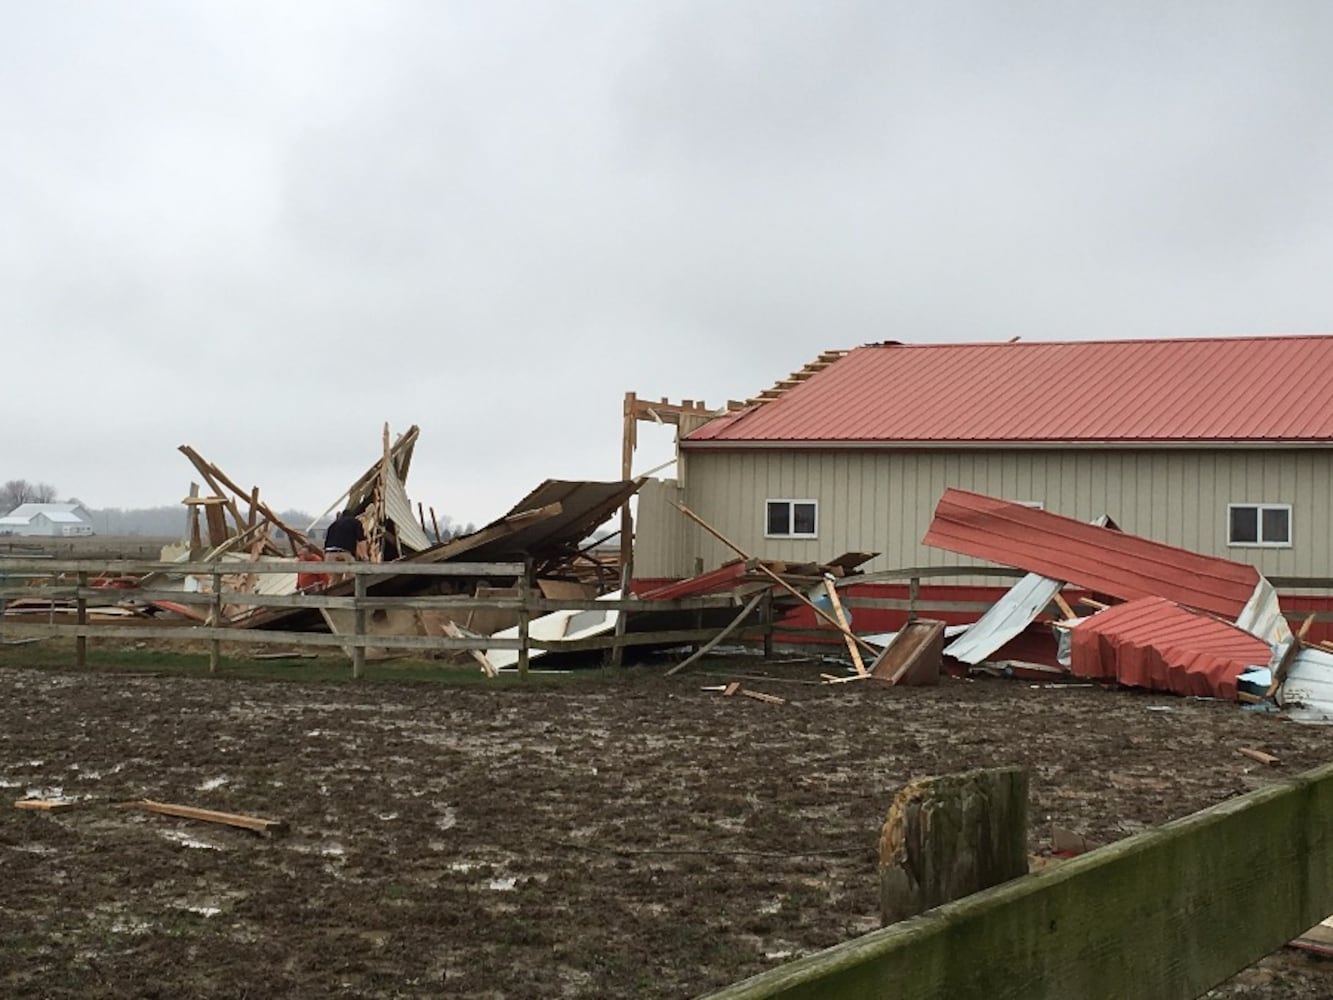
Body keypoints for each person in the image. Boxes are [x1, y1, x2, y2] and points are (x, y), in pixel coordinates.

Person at [324, 510, 367, 582]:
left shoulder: (333, 525)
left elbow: (326, 542)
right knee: (351, 579)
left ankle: (333, 592)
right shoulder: (355, 522)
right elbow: (361, 540)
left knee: (334, 580)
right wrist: (365, 556)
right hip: (345, 552)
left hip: (330, 553)